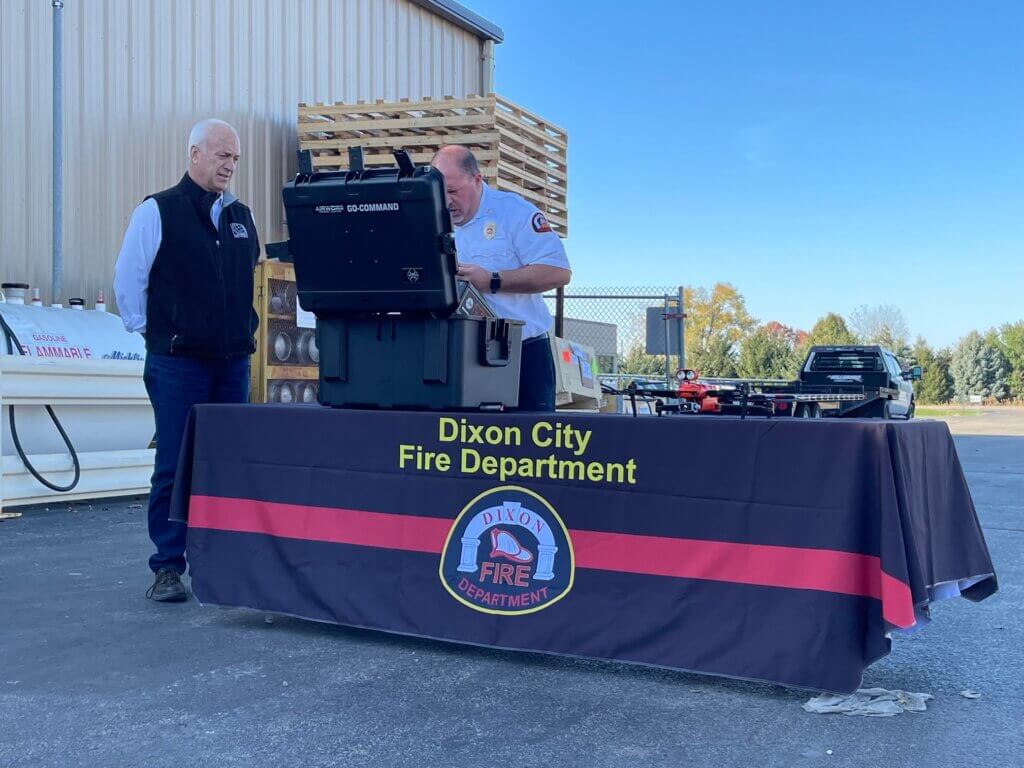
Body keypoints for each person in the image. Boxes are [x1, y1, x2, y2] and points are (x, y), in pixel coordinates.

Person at [113, 118, 260, 602]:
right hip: (178, 363)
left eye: (235, 158)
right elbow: (129, 280)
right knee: (175, 464)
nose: (229, 165)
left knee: (224, 466)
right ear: (194, 154)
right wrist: (153, 334)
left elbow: (245, 285)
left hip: (231, 362)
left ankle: (220, 564)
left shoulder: (241, 216)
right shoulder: (158, 211)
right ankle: (168, 567)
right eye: (221, 155)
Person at [430, 146, 571, 411]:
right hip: (454, 355)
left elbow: (558, 271)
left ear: (477, 179)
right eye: (440, 192)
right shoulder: (430, 218)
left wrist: (493, 281)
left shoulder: (513, 212)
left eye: (453, 191)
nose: (447, 201)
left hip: (520, 356)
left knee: (528, 445)